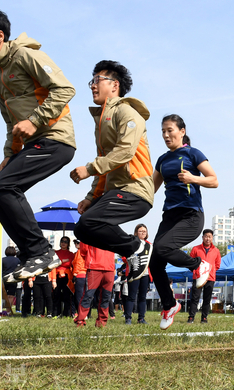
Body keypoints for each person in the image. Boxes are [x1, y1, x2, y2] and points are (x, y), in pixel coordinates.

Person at [0, 5, 76, 281]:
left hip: (55, 139)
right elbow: (10, 121)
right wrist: (9, 153)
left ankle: (41, 252)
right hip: (32, 145)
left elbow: (65, 88)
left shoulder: (27, 55)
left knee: (4, 187)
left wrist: (36, 120)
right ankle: (32, 256)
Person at [72, 60, 154, 283]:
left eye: (97, 80)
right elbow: (105, 163)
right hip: (115, 190)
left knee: (89, 223)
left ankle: (137, 247)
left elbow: (125, 151)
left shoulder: (127, 112)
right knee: (82, 229)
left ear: (114, 85)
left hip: (134, 190)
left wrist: (89, 169)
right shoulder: (101, 121)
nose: (92, 86)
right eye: (92, 81)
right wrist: (91, 197)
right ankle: (135, 251)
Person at [148, 114, 218, 330]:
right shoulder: (162, 159)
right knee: (155, 260)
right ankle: (170, 305)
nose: (166, 135)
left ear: (182, 131)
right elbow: (151, 188)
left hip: (191, 214)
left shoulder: (192, 153)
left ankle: (199, 265)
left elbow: (214, 180)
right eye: (163, 131)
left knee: (162, 247)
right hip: (169, 215)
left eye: (170, 130)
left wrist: (193, 178)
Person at [74, 243, 116, 327]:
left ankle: (101, 322)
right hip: (94, 267)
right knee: (88, 295)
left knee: (106, 296)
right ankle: (80, 320)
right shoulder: (90, 232)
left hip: (109, 268)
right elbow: (83, 250)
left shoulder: (112, 232)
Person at [187, 229, 222, 324]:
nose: (208, 238)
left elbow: (217, 265)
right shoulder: (195, 249)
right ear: (202, 237)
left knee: (207, 298)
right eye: (206, 236)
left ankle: (204, 318)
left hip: (210, 278)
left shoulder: (216, 251)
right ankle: (191, 317)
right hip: (197, 277)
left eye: (209, 237)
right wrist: (197, 271)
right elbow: (190, 262)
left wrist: (210, 272)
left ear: (212, 238)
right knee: (195, 298)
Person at [124, 224, 152, 325]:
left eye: (144, 231)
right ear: (136, 232)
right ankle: (128, 318)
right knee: (131, 296)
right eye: (140, 231)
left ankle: (141, 318)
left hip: (145, 274)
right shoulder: (132, 243)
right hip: (133, 273)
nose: (143, 233)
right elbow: (124, 256)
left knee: (143, 297)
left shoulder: (149, 245)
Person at [53, 236, 75, 317]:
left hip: (67, 276)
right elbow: (54, 263)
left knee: (66, 296)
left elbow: (70, 264)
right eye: (62, 241)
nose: (63, 243)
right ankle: (56, 313)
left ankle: (67, 313)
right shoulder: (56, 253)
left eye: (65, 242)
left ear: (68, 244)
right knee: (56, 295)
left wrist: (60, 262)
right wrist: (63, 261)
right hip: (57, 275)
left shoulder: (71, 254)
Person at [2, 246, 21, 313]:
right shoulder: (17, 260)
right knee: (11, 295)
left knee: (3, 295)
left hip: (4, 279)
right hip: (13, 279)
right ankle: (8, 310)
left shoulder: (3, 259)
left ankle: (1, 308)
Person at [71, 239, 87, 315]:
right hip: (86, 275)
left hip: (80, 275)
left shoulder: (79, 252)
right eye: (75, 243)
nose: (76, 244)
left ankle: (81, 313)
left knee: (79, 296)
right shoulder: (87, 252)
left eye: (78, 243)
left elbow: (78, 263)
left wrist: (75, 274)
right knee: (85, 295)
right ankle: (86, 313)